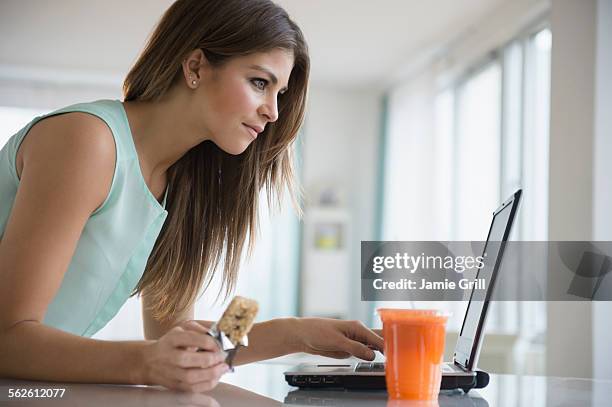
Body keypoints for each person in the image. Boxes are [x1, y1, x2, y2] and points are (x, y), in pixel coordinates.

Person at [0, 0, 383, 393]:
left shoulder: (178, 186)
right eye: (259, 82)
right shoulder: (88, 141)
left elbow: (180, 342)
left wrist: (296, 333)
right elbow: (8, 339)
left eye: (279, 93)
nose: (273, 112)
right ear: (196, 66)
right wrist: (145, 363)